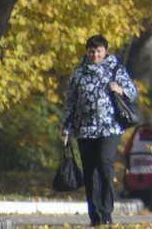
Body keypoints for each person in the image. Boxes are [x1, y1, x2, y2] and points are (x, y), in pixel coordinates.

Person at [62, 35, 138, 227]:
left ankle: (107, 210)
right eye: (92, 51)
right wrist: (66, 129)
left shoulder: (116, 70)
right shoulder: (79, 73)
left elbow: (132, 91)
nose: (95, 55)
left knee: (105, 164)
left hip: (110, 127)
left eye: (99, 51)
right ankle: (94, 215)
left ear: (105, 51)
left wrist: (119, 89)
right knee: (90, 171)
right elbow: (70, 102)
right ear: (87, 52)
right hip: (85, 129)